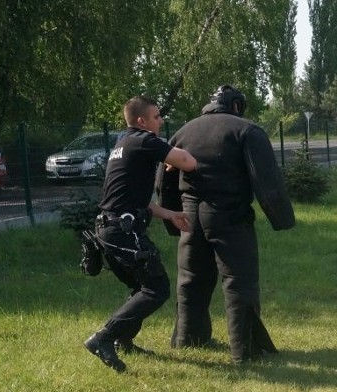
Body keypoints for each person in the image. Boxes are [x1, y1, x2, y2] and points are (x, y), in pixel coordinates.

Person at [163, 85, 295, 363]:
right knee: (238, 281)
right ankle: (244, 349)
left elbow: (164, 179)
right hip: (229, 214)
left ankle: (188, 338)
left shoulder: (184, 131)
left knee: (191, 279)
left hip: (190, 214)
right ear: (236, 105)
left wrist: (174, 220)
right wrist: (282, 219)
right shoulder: (246, 130)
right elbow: (267, 181)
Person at [83, 95, 197, 373]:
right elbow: (188, 162)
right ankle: (103, 338)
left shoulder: (123, 144)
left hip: (110, 228)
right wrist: (180, 154)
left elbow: (135, 197)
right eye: (157, 117)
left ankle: (123, 340)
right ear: (141, 121)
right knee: (156, 288)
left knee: (140, 287)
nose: (161, 121)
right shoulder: (144, 140)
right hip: (121, 231)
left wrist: (169, 214)